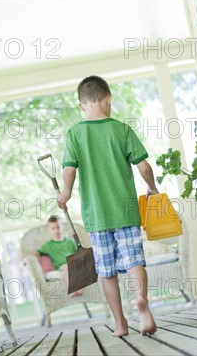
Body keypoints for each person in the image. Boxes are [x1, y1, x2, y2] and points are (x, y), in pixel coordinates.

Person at [56, 75, 158, 337]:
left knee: (107, 272)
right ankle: (140, 299)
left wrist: (65, 193)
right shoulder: (122, 130)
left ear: (81, 106)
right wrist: (152, 188)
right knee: (135, 261)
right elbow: (144, 166)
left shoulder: (75, 134)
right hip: (125, 211)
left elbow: (68, 172)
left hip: (97, 216)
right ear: (109, 99)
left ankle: (120, 323)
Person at [36, 215, 83, 296]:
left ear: (62, 227)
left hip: (73, 264)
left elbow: (79, 253)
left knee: (81, 268)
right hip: (62, 266)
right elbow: (36, 253)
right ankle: (73, 290)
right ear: (49, 230)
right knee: (66, 268)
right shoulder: (48, 245)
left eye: (58, 227)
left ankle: (79, 290)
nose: (56, 231)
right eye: (53, 228)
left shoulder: (70, 242)